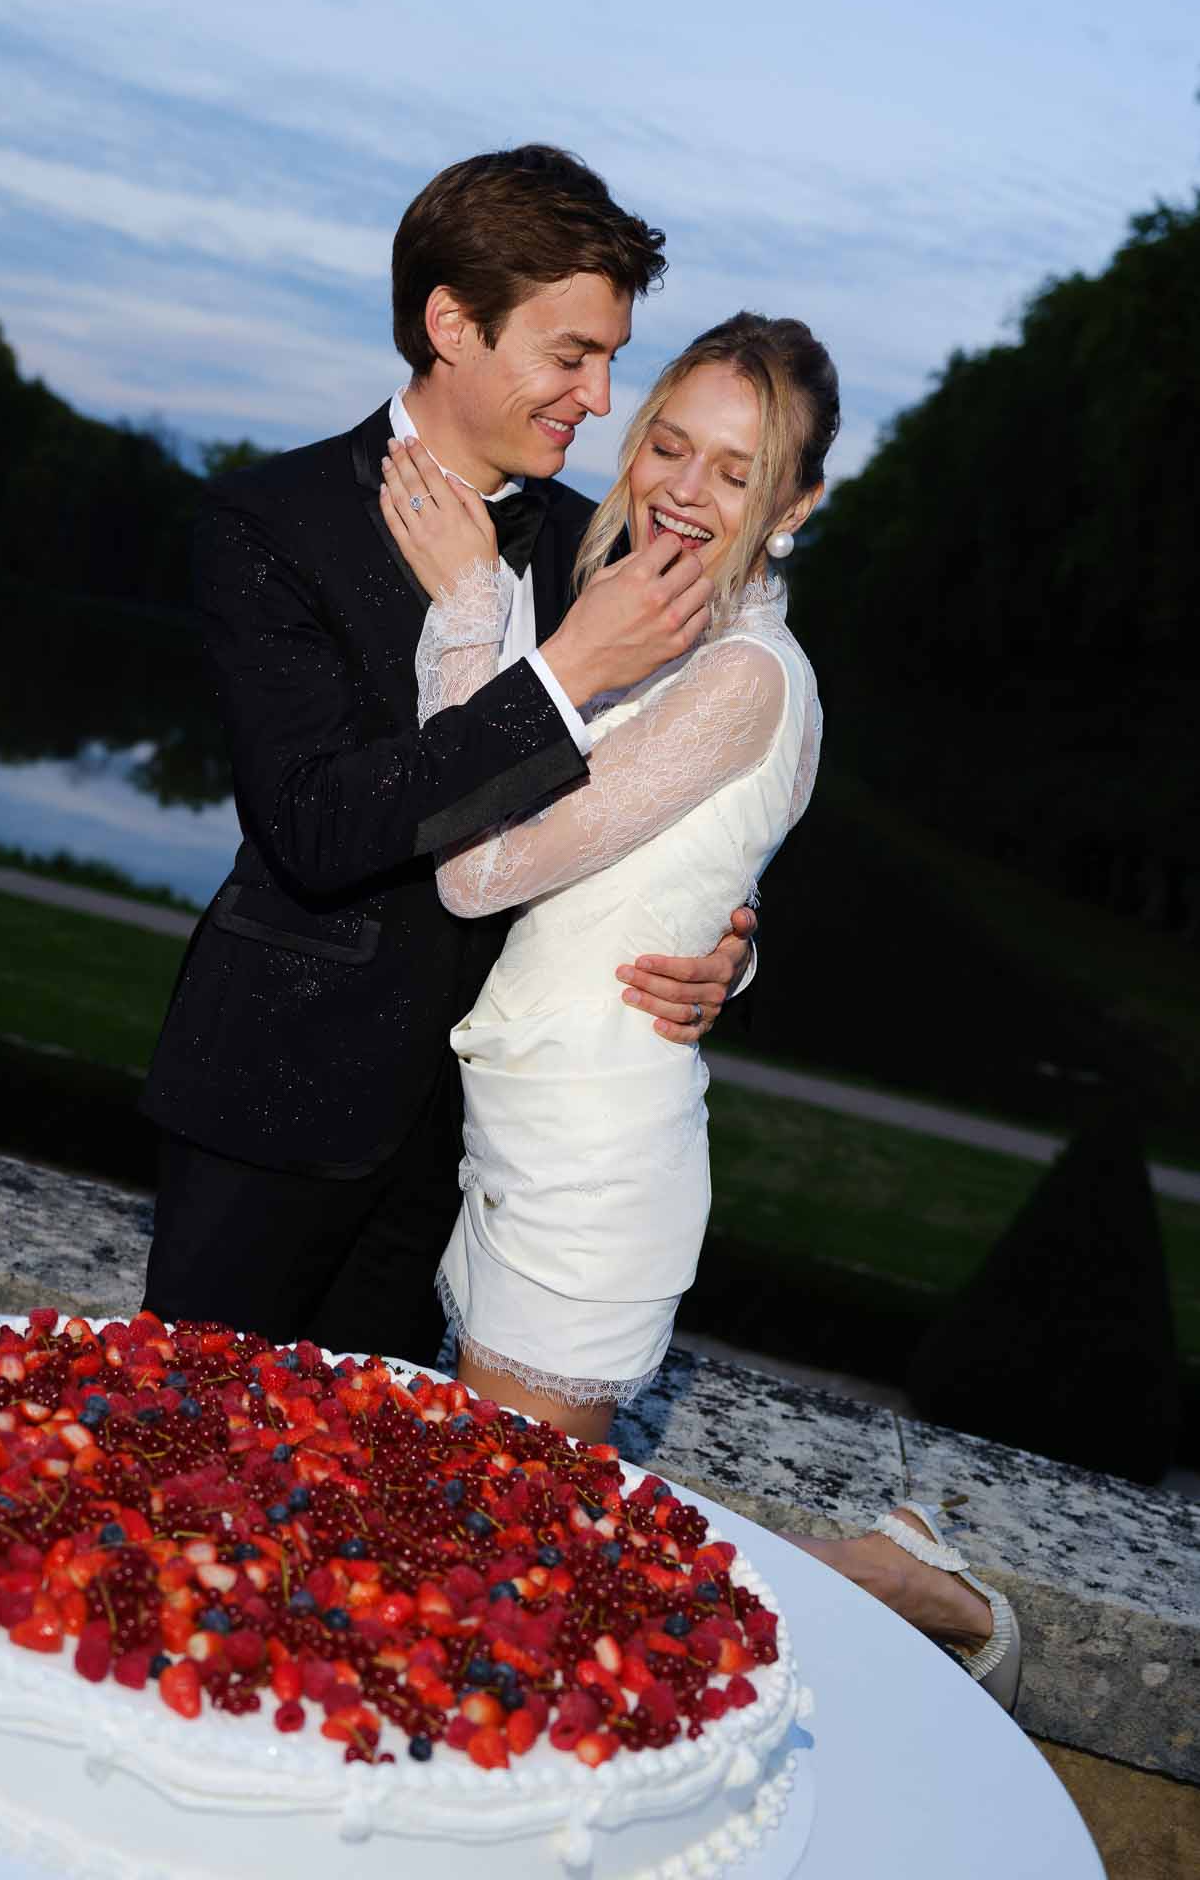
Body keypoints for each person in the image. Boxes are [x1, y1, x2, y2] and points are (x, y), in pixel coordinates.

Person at [383, 314, 1020, 1709]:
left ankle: (884, 1579)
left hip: (586, 1170)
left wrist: (466, 610)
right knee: (524, 1549)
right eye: (668, 441)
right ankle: (879, 1567)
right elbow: (668, 868)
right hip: (519, 1127)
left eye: (736, 471)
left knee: (522, 1581)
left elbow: (478, 869)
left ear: (794, 508)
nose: (682, 486)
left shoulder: (735, 676)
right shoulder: (655, 631)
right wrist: (728, 950)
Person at [139, 146, 759, 1367]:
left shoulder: (607, 549)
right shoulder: (271, 525)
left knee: (386, 1522)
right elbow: (317, 827)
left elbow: (693, 778)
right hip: (277, 1099)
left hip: (496, 1140)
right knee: (183, 1467)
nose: (597, 394)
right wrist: (566, 674)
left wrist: (727, 941)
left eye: (613, 360)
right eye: (571, 353)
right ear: (451, 324)